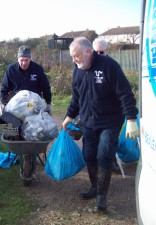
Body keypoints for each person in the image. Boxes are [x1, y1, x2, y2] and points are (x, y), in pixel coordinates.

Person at [62, 37, 139, 211]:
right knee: (89, 155)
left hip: (110, 122)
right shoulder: (78, 69)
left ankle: (101, 197)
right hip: (88, 121)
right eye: (72, 57)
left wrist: (132, 119)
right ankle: (94, 187)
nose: (74, 60)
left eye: (77, 56)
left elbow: (125, 93)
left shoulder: (108, 65)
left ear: (89, 51)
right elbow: (77, 96)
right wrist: (69, 115)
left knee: (104, 156)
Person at [0, 45, 52, 183]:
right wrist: (3, 104)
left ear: (30, 59)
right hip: (17, 105)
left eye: (26, 60)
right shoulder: (11, 70)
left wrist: (49, 103)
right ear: (18, 59)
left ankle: (30, 148)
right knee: (10, 125)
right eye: (21, 60)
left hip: (33, 104)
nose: (24, 63)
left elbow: (46, 87)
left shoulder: (37, 69)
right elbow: (4, 88)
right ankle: (16, 142)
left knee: (37, 127)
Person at [93, 38, 121, 174]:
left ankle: (111, 161)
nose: (98, 54)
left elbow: (121, 90)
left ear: (106, 51)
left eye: (101, 52)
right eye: (96, 52)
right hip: (94, 114)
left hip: (111, 114)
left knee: (108, 144)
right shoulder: (88, 65)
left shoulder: (112, 65)